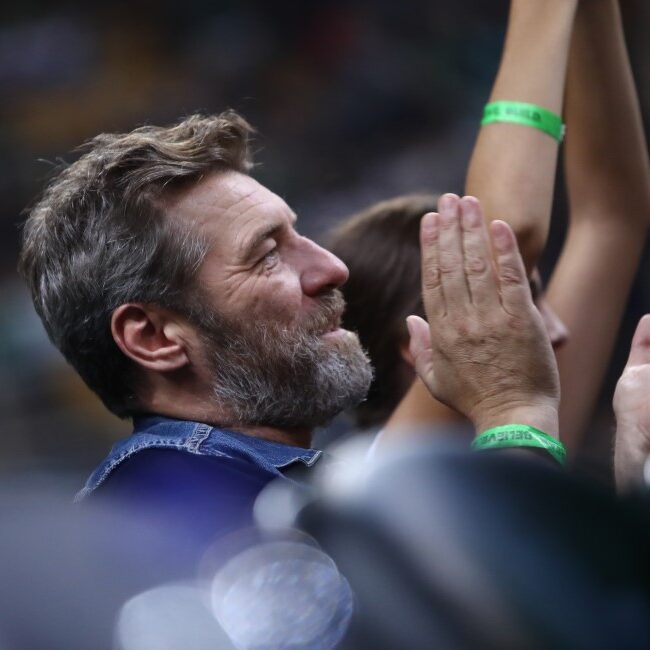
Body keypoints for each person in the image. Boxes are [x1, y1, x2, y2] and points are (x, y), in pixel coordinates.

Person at [330, 0, 650, 463]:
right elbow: (509, 234)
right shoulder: (388, 468)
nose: (560, 328)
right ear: (421, 345)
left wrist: (592, 11)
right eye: (524, 301)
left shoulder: (527, 412)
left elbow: (610, 217)